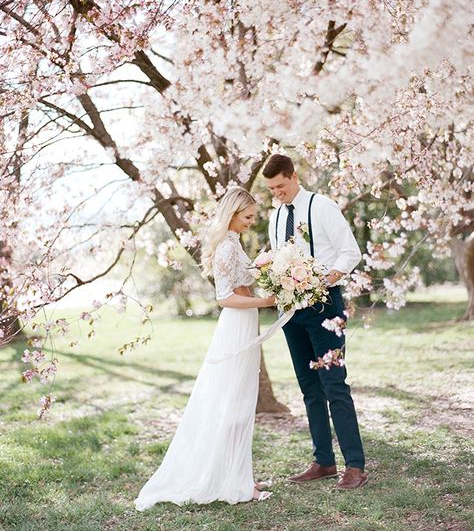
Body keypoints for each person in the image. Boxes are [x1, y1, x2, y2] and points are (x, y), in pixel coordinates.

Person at [134, 187, 275, 509]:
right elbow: (225, 298)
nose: (252, 222)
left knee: (241, 401)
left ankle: (238, 474)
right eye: (248, 216)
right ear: (233, 214)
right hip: (235, 326)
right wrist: (264, 300)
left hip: (243, 323)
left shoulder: (234, 243)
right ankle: (232, 481)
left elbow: (242, 282)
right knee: (233, 403)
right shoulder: (225, 248)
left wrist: (266, 270)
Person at [263, 153, 368, 490]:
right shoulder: (276, 215)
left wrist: (324, 280)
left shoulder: (322, 206)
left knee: (334, 384)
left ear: (294, 177)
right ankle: (323, 460)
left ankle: (355, 466)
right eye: (271, 189)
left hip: (325, 307)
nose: (276, 193)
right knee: (309, 387)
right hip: (292, 311)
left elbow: (350, 252)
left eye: (280, 186)